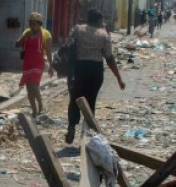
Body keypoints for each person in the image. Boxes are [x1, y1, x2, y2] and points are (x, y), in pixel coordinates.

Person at [65, 8, 126, 144]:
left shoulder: (78, 29)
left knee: (75, 98)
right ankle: (87, 133)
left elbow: (69, 45)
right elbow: (109, 58)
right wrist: (119, 78)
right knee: (90, 101)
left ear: (87, 18)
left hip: (79, 68)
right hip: (96, 70)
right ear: (99, 20)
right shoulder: (103, 35)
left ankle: (71, 126)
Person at [15, 12, 53, 117]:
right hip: (27, 63)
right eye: (31, 24)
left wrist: (51, 66)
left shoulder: (46, 34)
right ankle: (34, 109)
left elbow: (49, 51)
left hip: (38, 62)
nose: (32, 26)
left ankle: (40, 104)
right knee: (28, 87)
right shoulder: (27, 32)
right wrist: (24, 37)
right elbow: (17, 44)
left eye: (34, 24)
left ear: (39, 24)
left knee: (34, 85)